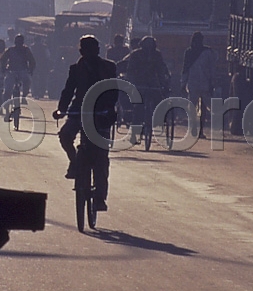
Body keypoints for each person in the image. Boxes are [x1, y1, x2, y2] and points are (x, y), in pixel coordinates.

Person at [54, 35, 118, 210]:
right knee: (65, 135)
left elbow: (113, 91)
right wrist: (61, 109)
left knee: (101, 159)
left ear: (98, 50)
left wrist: (110, 108)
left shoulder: (109, 67)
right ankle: (74, 162)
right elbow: (68, 90)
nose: (90, 52)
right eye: (86, 49)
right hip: (79, 110)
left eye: (93, 49)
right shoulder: (75, 69)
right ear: (81, 51)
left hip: (101, 113)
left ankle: (99, 198)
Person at [117, 36, 170, 143]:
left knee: (159, 100)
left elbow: (160, 69)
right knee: (138, 108)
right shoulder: (136, 54)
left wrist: (163, 83)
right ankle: (134, 134)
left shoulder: (157, 55)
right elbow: (130, 70)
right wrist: (131, 82)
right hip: (138, 82)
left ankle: (158, 119)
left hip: (152, 83)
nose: (149, 48)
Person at [181, 31, 217, 134]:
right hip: (204, 84)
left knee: (192, 107)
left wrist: (183, 84)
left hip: (193, 84)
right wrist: (212, 82)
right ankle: (199, 130)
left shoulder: (189, 52)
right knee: (203, 108)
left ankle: (194, 129)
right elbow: (212, 69)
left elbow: (185, 70)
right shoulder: (208, 52)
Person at [2, 33, 36, 106]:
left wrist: (30, 70)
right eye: (18, 42)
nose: (19, 44)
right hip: (12, 71)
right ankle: (5, 104)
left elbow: (32, 61)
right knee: (7, 89)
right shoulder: (10, 50)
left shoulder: (26, 50)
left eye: (20, 42)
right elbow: (3, 59)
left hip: (23, 71)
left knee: (28, 82)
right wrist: (4, 69)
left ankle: (24, 96)